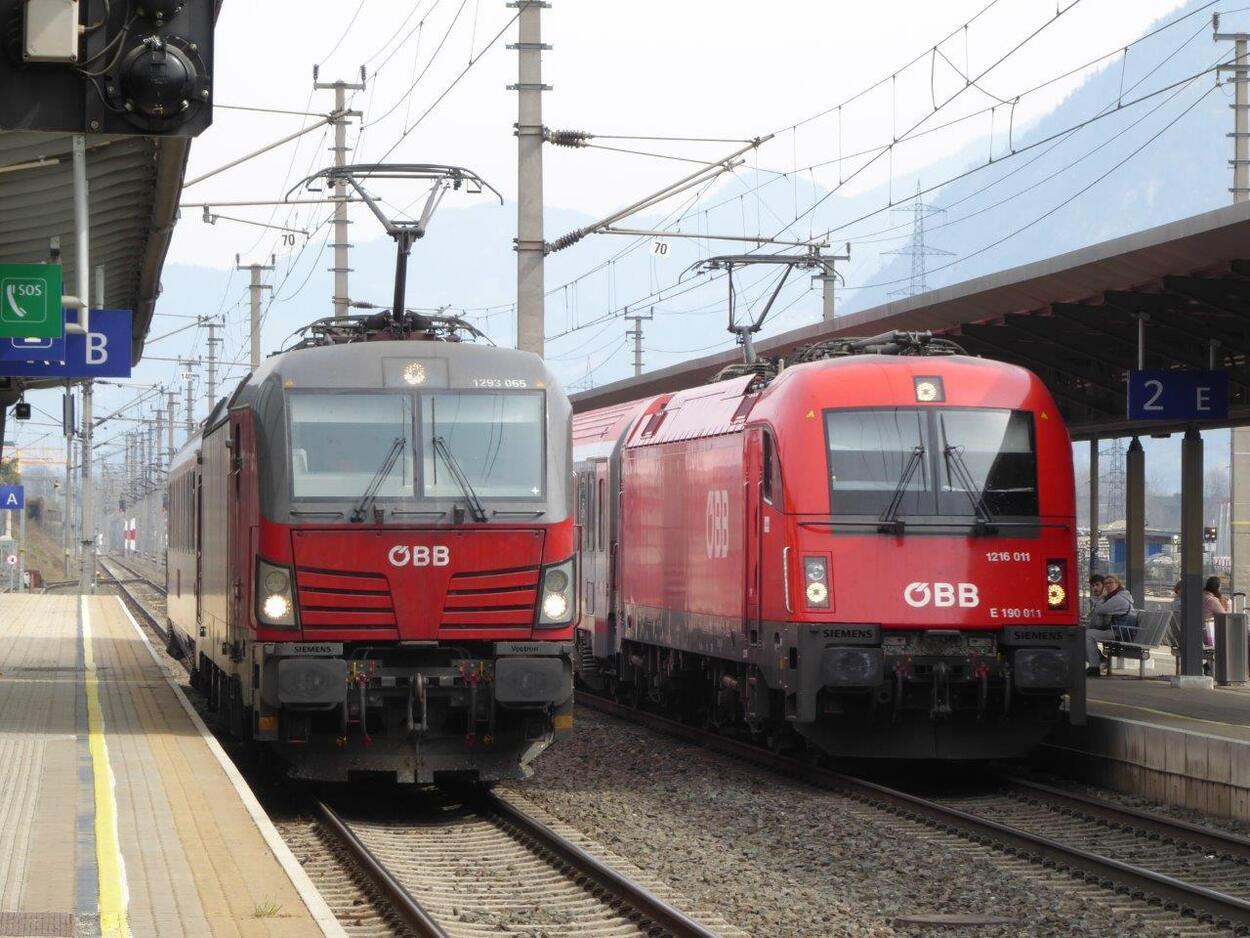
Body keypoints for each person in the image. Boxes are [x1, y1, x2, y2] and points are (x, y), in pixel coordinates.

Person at [1085, 574, 1136, 676]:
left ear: (1117, 584)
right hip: (1120, 630)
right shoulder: (1117, 596)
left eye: (1111, 583)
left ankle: (1094, 667)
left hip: (1121, 633)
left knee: (1088, 634)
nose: (1108, 585)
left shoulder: (1118, 599)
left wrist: (1102, 598)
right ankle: (1099, 661)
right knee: (1085, 634)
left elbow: (1099, 610)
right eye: (1106, 583)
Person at [1202, 576, 1228, 650]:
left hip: (1196, 632)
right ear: (1218, 588)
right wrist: (1227, 605)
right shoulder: (1212, 600)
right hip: (1207, 636)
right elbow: (1225, 617)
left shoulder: (1200, 596)